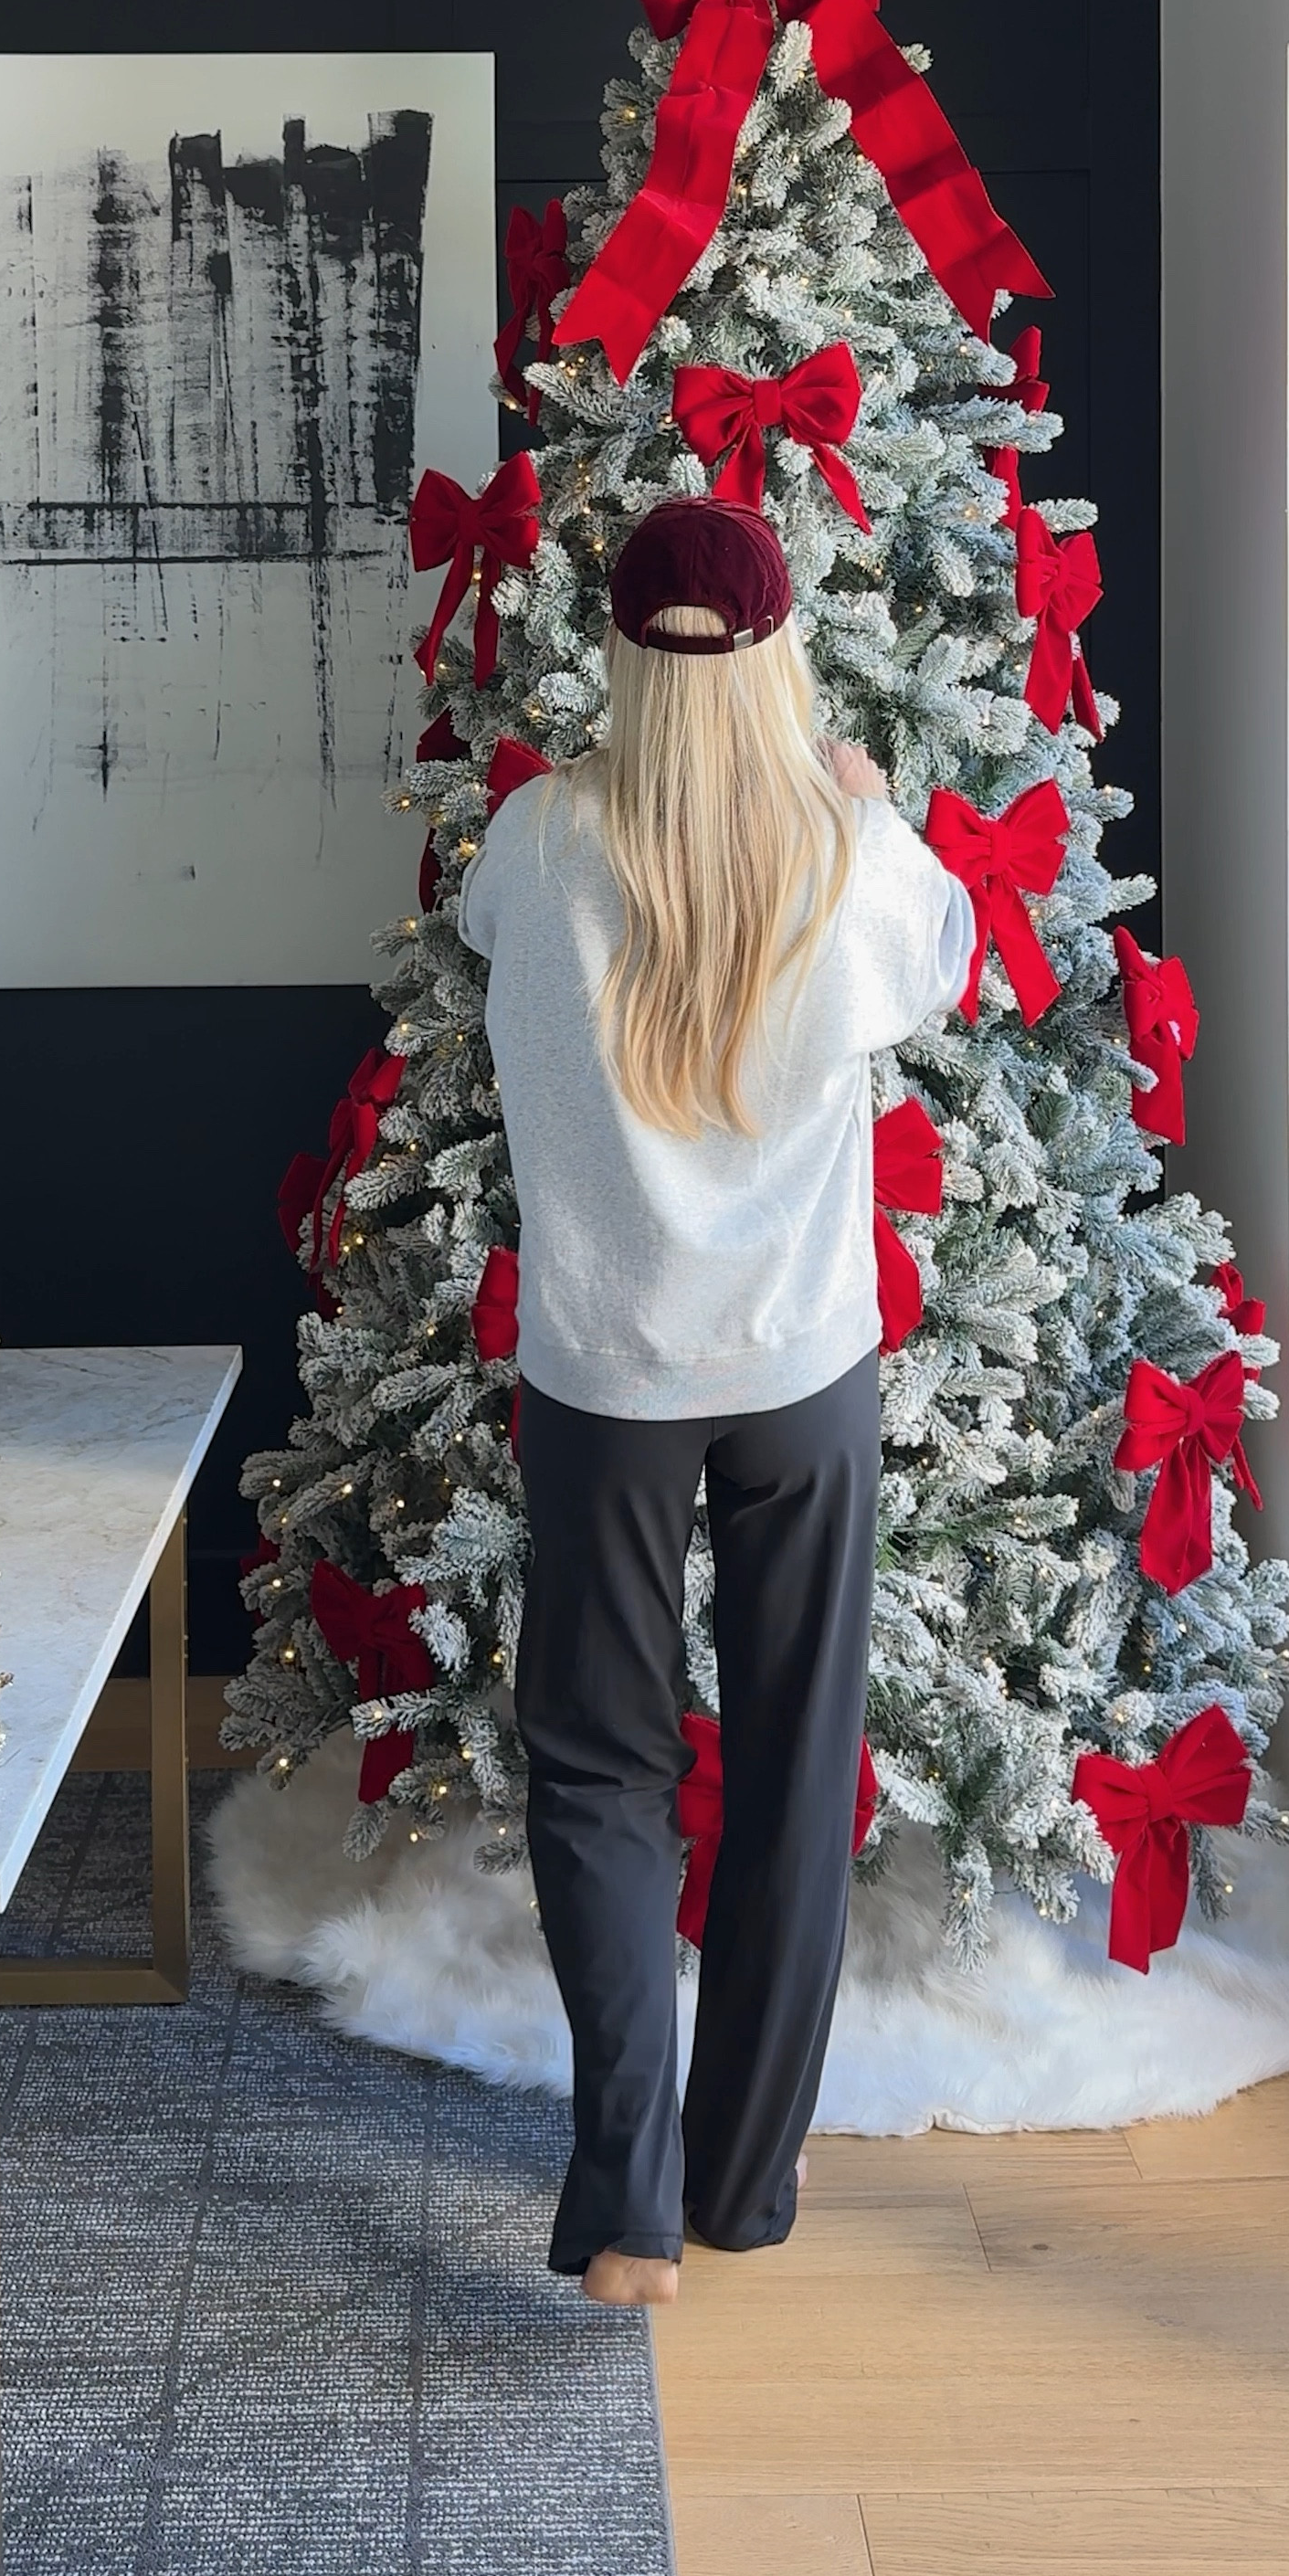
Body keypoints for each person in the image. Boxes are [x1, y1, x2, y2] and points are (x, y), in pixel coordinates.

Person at [458, 493, 975, 2307]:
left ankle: (630, 2209)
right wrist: (873, 804)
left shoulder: (538, 841)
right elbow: (950, 962)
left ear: (622, 651)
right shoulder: (846, 857)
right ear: (772, 658)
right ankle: (750, 2178)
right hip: (802, 1376)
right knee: (792, 1761)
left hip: (606, 1378)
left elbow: (474, 926)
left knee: (599, 1769)